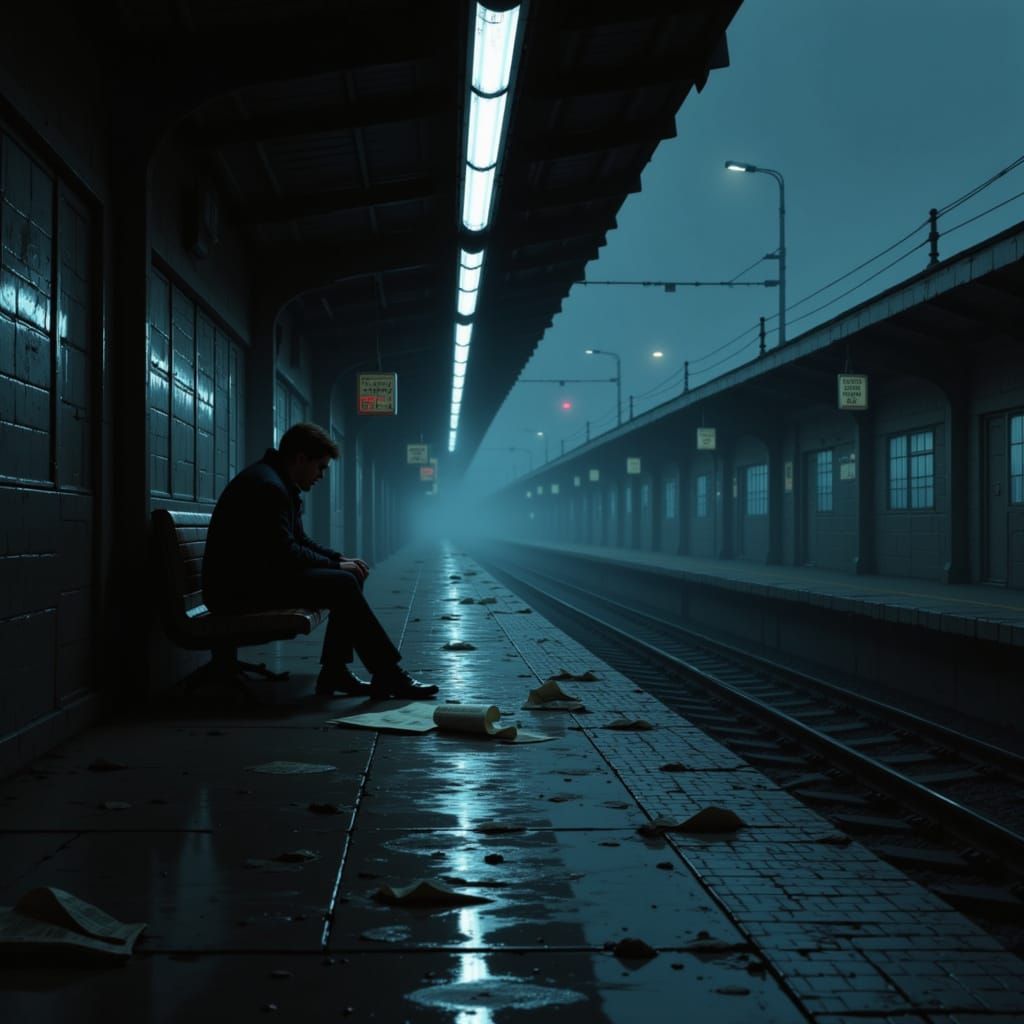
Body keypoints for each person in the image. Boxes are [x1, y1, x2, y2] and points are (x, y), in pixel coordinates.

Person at [202, 422, 437, 700]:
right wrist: (337, 567)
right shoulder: (269, 487)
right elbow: (285, 553)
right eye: (321, 467)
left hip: (248, 580)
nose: (321, 476)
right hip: (235, 592)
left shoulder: (277, 482)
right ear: (301, 459)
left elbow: (299, 541)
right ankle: (385, 673)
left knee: (346, 578)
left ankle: (340, 672)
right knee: (342, 583)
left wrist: (339, 559)